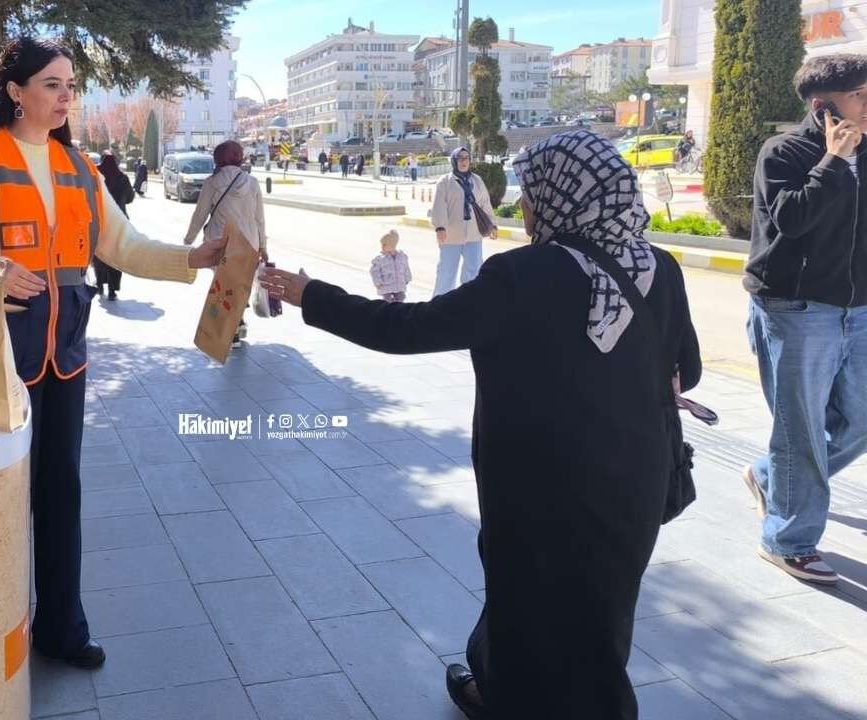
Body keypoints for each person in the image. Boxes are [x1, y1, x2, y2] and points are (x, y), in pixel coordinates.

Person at [261, 130, 700, 720]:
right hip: (635, 482)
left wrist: (311, 294)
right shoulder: (660, 268)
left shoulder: (524, 275)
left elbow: (406, 331)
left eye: (533, 192)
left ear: (561, 195)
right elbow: (688, 371)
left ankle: (512, 700)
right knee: (603, 610)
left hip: (540, 484)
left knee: (526, 605)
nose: (525, 206)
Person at [0, 36, 225, 670]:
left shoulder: (80, 168)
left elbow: (124, 245)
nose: (65, 97)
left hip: (65, 356)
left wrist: (191, 259)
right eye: (53, 84)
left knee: (62, 491)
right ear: (15, 91)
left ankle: (62, 627)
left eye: (71, 86)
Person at [743, 54, 867, 585]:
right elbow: (791, 221)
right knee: (800, 431)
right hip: (796, 310)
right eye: (861, 94)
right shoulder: (783, 153)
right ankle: (788, 539)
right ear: (824, 108)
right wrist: (833, 162)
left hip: (857, 310)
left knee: (859, 421)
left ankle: (772, 476)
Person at [184, 140, 268, 348]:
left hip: (220, 242)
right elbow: (259, 218)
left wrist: (188, 240)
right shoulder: (252, 182)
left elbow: (200, 214)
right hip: (249, 242)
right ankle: (237, 324)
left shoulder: (212, 182)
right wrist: (263, 246)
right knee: (239, 284)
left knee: (224, 286)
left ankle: (233, 330)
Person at [431, 147, 498, 296]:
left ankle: (468, 304)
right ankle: (439, 306)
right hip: (451, 236)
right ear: (454, 160)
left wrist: (492, 224)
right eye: (460, 158)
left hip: (474, 234)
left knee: (473, 272)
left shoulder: (477, 180)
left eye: (466, 158)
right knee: (446, 273)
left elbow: (485, 204)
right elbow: (439, 205)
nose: (463, 161)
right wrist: (440, 227)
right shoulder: (445, 182)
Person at [94, 151, 134, 301]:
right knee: (116, 254)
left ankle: (99, 285)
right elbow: (130, 198)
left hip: (99, 221)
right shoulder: (122, 178)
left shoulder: (96, 175)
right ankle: (112, 289)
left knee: (99, 254)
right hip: (118, 222)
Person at [370, 229, 411, 302]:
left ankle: (398, 312)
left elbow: (406, 268)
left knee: (401, 299)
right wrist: (377, 282)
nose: (382, 247)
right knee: (387, 301)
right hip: (386, 286)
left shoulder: (402, 256)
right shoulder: (380, 258)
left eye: (384, 245)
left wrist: (407, 278)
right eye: (381, 244)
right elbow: (374, 271)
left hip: (399, 285)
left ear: (393, 245)